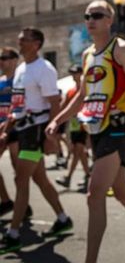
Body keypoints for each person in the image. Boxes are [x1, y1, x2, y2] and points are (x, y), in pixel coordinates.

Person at [45, 0, 125, 263]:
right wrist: (58, 120)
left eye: (97, 15)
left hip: (118, 127)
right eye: (87, 15)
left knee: (95, 193)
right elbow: (81, 96)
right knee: (123, 193)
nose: (91, 19)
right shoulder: (88, 54)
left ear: (110, 20)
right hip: (97, 129)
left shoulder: (121, 50)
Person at [0, 28, 73, 254]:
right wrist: (7, 126)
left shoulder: (45, 69)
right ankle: (63, 219)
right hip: (23, 128)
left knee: (21, 178)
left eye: (24, 41)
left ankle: (13, 235)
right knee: (39, 178)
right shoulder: (22, 69)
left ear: (37, 44)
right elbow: (18, 104)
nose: (19, 44)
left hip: (36, 130)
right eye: (19, 40)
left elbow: (54, 102)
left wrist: (52, 135)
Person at [55, 64, 91, 189]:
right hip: (74, 125)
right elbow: (63, 107)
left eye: (76, 73)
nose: (74, 75)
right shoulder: (70, 91)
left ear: (81, 74)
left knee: (78, 151)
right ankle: (87, 175)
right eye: (72, 73)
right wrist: (56, 121)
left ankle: (68, 177)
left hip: (85, 124)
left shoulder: (86, 89)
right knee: (79, 152)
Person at [0, 47, 20, 216]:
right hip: (1, 129)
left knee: (19, 171)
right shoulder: (0, 81)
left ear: (14, 60)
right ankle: (6, 200)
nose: (1, 61)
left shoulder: (20, 80)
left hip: (16, 128)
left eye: (4, 58)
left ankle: (22, 204)